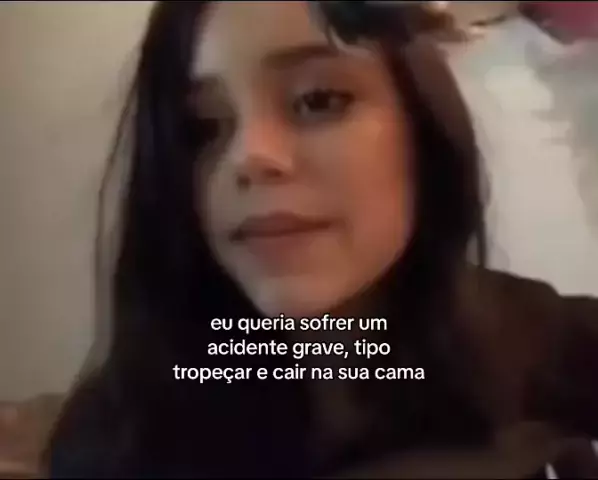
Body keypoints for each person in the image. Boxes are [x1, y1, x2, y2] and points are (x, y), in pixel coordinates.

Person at [45, 1, 598, 478]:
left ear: (421, 126)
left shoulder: (537, 341)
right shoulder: (115, 435)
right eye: (201, 127)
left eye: (318, 100)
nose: (249, 157)